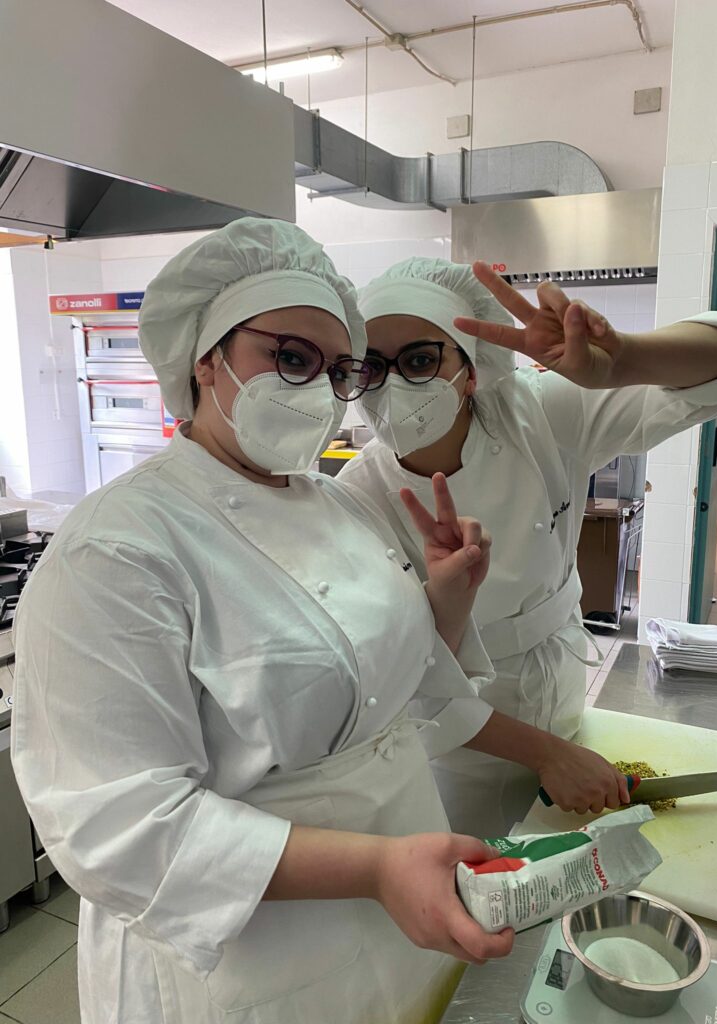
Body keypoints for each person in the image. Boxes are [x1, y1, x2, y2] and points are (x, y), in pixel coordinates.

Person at [10, 220, 517, 1024]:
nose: (317, 390)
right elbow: (122, 827)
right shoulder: (116, 550)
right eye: (290, 357)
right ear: (205, 360)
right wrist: (375, 869)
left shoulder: (333, 504)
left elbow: (390, 699)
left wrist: (446, 600)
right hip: (247, 958)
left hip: (400, 907)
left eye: (337, 370)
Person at [338, 256, 717, 835]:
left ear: (472, 370)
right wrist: (545, 755)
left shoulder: (536, 412)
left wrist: (624, 360)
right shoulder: (355, 498)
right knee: (484, 871)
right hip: (459, 749)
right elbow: (402, 686)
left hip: (562, 695)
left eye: (420, 360)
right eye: (370, 367)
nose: (394, 386)